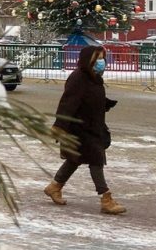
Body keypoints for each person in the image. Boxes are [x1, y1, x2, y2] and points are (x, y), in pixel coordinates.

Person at [43, 45, 126, 214]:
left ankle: (54, 186)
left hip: (93, 126)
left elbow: (90, 96)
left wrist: (105, 102)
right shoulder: (78, 78)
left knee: (75, 159)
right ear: (89, 60)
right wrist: (60, 126)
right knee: (96, 160)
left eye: (103, 58)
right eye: (98, 59)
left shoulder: (94, 78)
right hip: (79, 128)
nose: (101, 62)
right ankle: (106, 198)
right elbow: (68, 103)